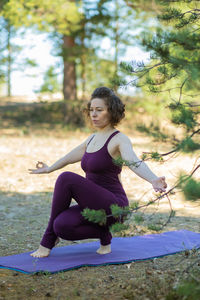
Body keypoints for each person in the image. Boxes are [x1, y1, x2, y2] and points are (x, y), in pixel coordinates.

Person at [29, 87, 167, 258]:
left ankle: (47, 241)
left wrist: (153, 179)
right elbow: (69, 157)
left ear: (111, 112)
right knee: (62, 225)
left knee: (66, 178)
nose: (93, 114)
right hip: (93, 204)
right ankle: (104, 235)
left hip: (114, 205)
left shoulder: (119, 139)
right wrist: (49, 168)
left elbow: (133, 161)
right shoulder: (92, 139)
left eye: (99, 110)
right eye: (91, 110)